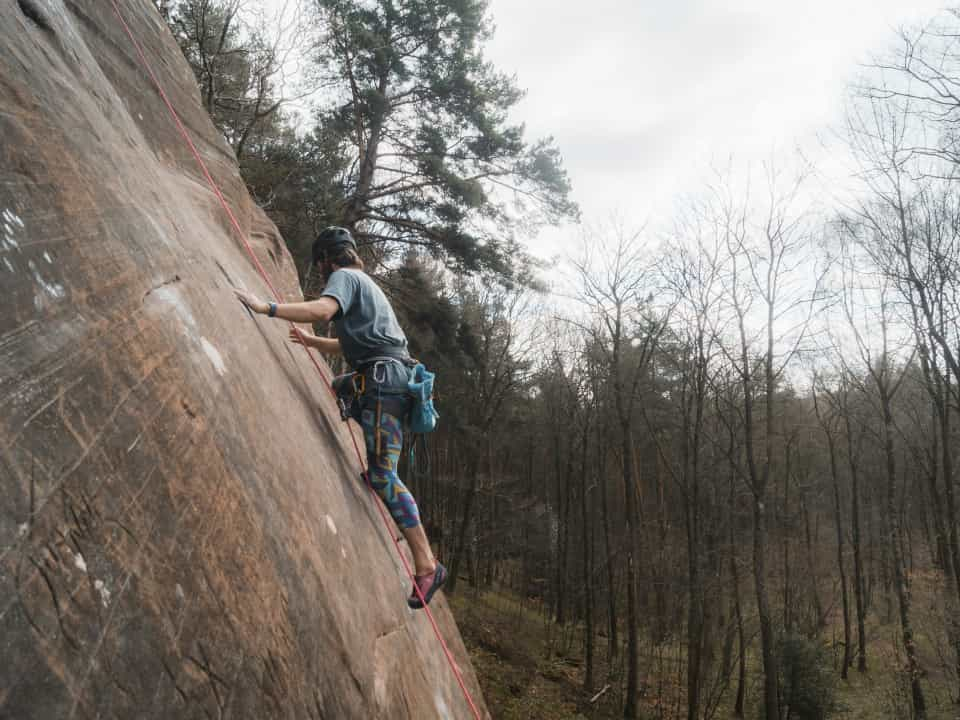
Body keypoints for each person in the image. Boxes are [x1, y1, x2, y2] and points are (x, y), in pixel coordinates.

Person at [233, 226, 446, 609]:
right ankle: (379, 453)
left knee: (383, 475)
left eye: (320, 265)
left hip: (385, 383)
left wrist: (269, 308)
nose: (320, 273)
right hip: (388, 377)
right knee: (342, 385)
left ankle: (428, 564)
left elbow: (323, 309)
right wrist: (312, 342)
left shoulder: (344, 278)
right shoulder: (365, 284)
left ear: (327, 259)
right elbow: (358, 341)